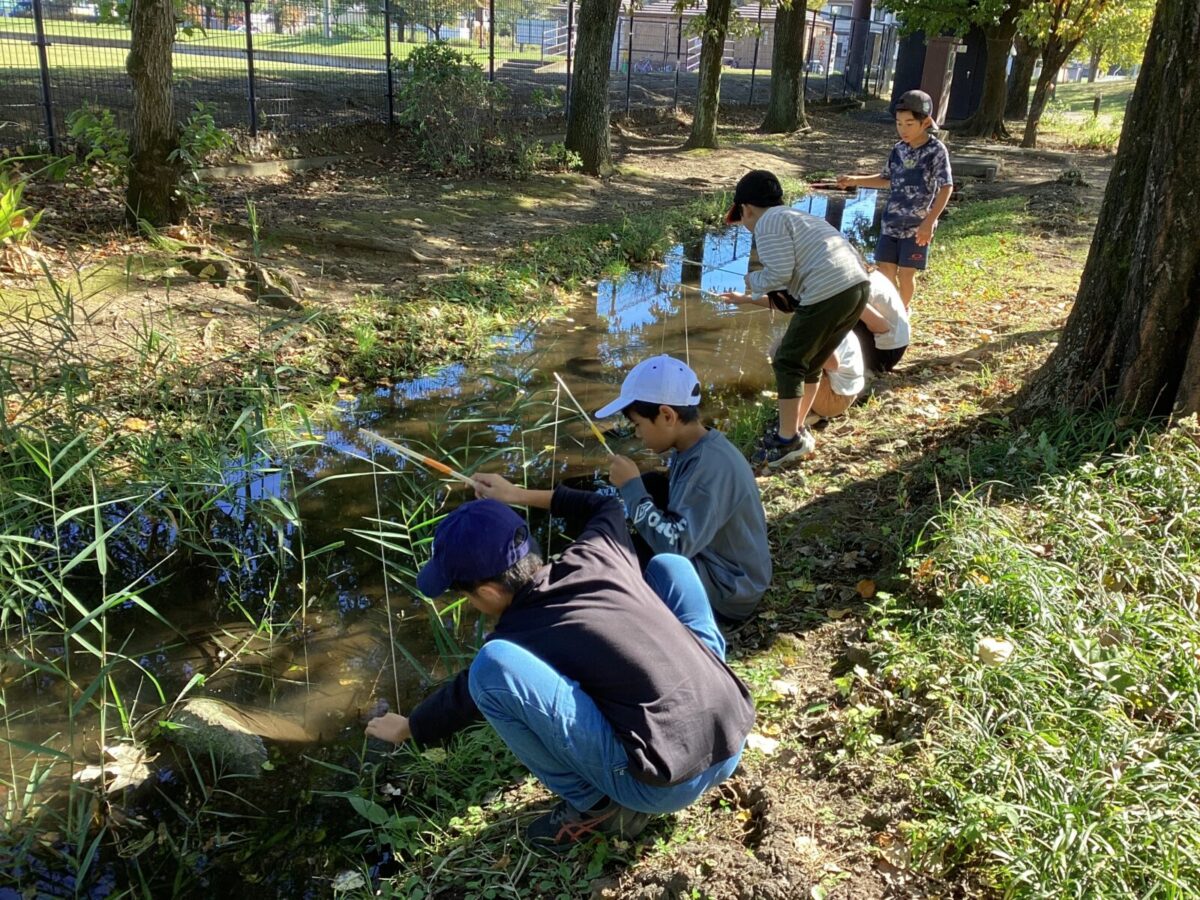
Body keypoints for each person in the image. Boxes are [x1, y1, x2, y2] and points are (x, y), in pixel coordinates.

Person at [364, 484, 753, 853]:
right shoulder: (600, 551)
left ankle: (597, 808)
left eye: (466, 596)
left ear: (487, 592)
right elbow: (605, 505)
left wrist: (412, 727)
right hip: (733, 727)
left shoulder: (517, 634)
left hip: (665, 786)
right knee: (670, 565)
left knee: (489, 669)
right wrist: (517, 494)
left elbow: (466, 693)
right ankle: (710, 679)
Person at [593, 354, 771, 624]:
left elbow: (675, 548)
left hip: (729, 591)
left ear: (667, 415)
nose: (638, 434)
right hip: (726, 569)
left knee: (629, 559)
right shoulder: (695, 446)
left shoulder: (708, 469)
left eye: (638, 424)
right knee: (651, 485)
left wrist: (631, 487)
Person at [720, 169, 870, 468]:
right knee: (810, 363)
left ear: (746, 209)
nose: (746, 225)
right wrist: (756, 294)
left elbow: (778, 274)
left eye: (743, 218)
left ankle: (786, 440)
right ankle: (797, 429)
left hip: (830, 289)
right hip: (856, 287)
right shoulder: (797, 217)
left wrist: (753, 280)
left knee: (787, 361)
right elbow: (793, 288)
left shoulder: (767, 222)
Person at [837, 89, 953, 309]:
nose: (903, 129)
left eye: (909, 124)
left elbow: (946, 187)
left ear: (925, 122)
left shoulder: (936, 150)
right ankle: (891, 311)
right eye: (899, 123)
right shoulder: (898, 150)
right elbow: (885, 179)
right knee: (885, 270)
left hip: (917, 227)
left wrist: (929, 222)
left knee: (907, 273)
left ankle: (902, 313)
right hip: (890, 222)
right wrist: (855, 180)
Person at [852, 268, 911, 374]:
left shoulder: (853, 287)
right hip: (895, 345)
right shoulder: (873, 274)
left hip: (884, 354)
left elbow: (882, 326)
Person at [809, 329, 865, 421]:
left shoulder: (821, 328)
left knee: (797, 359)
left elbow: (833, 364)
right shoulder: (841, 324)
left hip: (833, 400)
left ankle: (801, 414)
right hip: (847, 393)